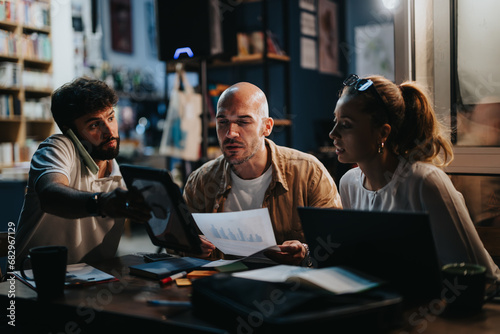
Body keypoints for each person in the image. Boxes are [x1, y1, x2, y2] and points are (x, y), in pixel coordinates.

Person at [329, 74, 500, 280]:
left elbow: (484, 276)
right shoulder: (349, 184)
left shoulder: (424, 182)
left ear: (382, 133)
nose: (333, 133)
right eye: (335, 121)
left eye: (346, 124)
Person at [183, 82, 342, 265]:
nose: (230, 133)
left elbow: (335, 240)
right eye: (223, 122)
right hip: (223, 285)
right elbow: (176, 244)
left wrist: (306, 252)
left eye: (243, 121)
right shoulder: (201, 181)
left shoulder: (308, 172)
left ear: (267, 127)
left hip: (287, 287)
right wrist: (190, 247)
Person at [15, 77, 151, 266]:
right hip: (33, 281)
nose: (109, 131)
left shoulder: (119, 172)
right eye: (94, 125)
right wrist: (101, 203)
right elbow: (50, 194)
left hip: (91, 282)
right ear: (69, 131)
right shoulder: (58, 147)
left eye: (111, 118)